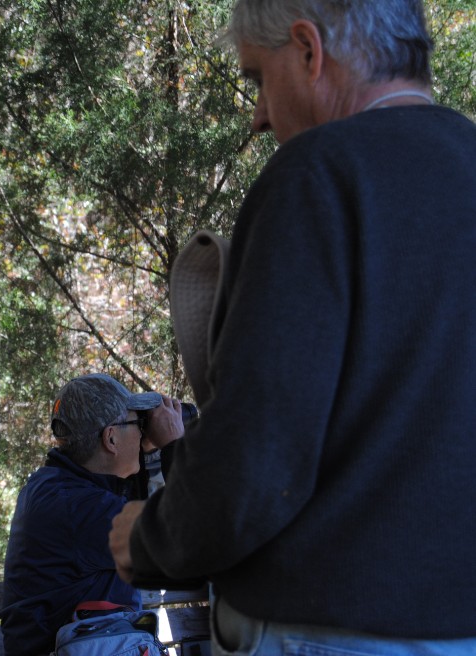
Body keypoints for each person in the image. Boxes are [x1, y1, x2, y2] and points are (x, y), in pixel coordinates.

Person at [109, 1, 476, 654]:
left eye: (256, 78)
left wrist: (151, 537)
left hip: (328, 630)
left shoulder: (320, 172)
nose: (258, 115)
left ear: (309, 51)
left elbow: (258, 450)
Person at [1, 373, 185, 656]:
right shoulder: (76, 508)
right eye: (138, 424)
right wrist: (175, 447)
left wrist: (146, 453)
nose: (142, 433)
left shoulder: (57, 488)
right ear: (110, 439)